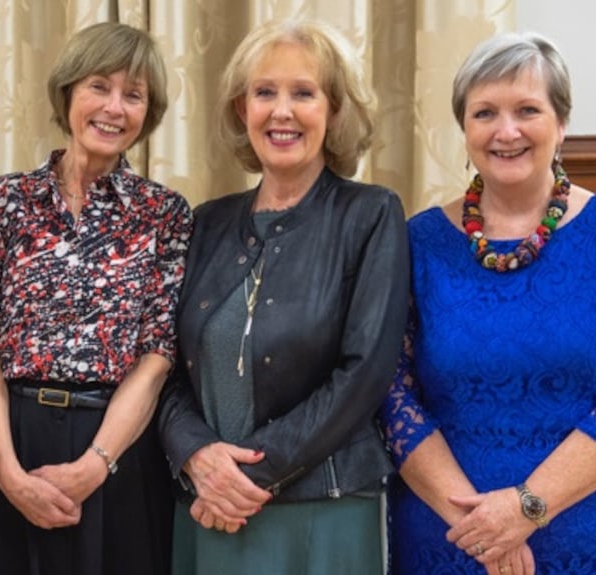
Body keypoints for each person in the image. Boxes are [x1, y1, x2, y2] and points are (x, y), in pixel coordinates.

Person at [380, 31, 596, 574]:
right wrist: (483, 528)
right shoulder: (417, 240)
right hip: (450, 539)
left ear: (561, 124)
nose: (506, 131)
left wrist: (523, 509)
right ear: (464, 128)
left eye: (527, 110)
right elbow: (393, 397)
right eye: (484, 112)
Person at [157, 19, 410, 575]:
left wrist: (246, 474)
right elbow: (165, 368)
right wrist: (198, 456)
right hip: (207, 506)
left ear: (335, 111)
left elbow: (364, 374)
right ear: (240, 109)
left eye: (304, 93)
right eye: (264, 92)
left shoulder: (371, 215)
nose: (281, 111)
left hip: (324, 507)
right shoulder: (205, 223)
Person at [0, 21, 192, 575]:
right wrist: (8, 470)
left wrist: (94, 465)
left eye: (133, 95)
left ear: (147, 112)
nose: (113, 107)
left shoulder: (165, 214)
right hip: (10, 434)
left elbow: (157, 357)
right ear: (68, 93)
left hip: (117, 448)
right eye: (98, 87)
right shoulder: (3, 201)